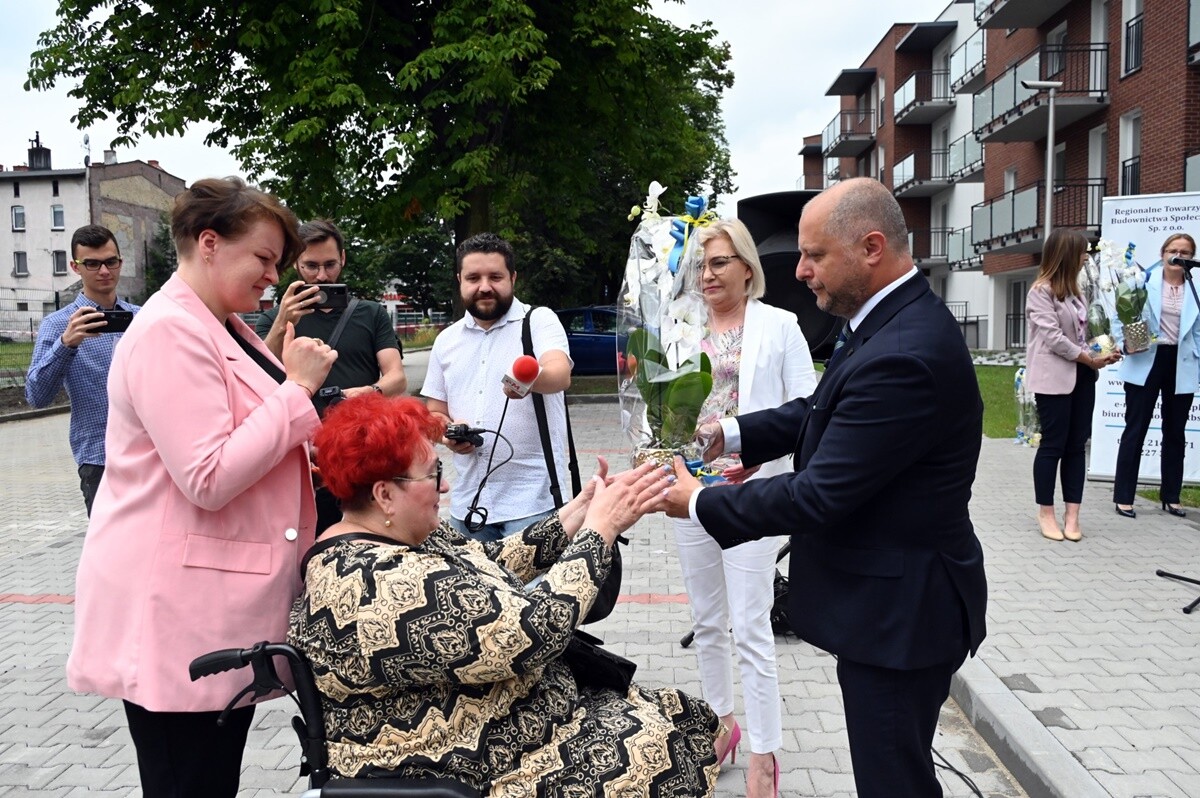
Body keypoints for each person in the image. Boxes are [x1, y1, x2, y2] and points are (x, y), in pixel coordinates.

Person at [660, 178, 989, 798]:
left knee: (893, 781)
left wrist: (700, 501)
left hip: (902, 616)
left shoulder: (905, 353)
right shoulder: (884, 319)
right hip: (890, 606)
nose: (801, 270)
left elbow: (817, 496)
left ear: (870, 247)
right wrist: (727, 434)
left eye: (815, 255)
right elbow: (820, 410)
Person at [288, 393, 720, 796]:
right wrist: (600, 530)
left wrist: (580, 511)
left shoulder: (398, 536)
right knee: (661, 751)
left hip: (517, 726)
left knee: (687, 719)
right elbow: (532, 631)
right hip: (467, 763)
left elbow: (488, 561)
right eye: (433, 473)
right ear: (385, 494)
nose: (445, 487)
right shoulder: (372, 585)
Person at [66, 177, 337, 797]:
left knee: (210, 779)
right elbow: (208, 475)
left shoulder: (220, 324)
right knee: (189, 782)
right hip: (176, 612)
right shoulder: (170, 330)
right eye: (264, 259)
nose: (273, 277)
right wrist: (296, 391)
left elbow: (241, 437)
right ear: (209, 243)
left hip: (208, 607)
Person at [670, 218, 817, 798]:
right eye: (702, 264)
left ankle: (765, 753)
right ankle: (720, 723)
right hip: (691, 492)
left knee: (751, 625)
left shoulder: (781, 326)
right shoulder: (679, 330)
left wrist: (758, 447)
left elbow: (807, 408)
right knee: (707, 620)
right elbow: (667, 408)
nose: (708, 274)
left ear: (748, 268)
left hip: (752, 494)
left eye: (720, 262)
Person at [256, 218, 406, 532]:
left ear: (343, 260)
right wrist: (282, 323)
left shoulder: (370, 313)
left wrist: (369, 392)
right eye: (311, 266)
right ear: (295, 262)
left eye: (330, 265)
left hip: (360, 452)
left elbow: (397, 378)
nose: (322, 276)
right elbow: (256, 376)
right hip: (300, 453)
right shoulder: (274, 318)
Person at [422, 232, 573, 541]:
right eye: (473, 278)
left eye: (495, 276)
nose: (485, 287)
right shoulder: (446, 340)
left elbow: (559, 373)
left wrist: (528, 380)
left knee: (533, 592)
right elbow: (434, 412)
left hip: (534, 505)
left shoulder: (538, 320)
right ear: (459, 280)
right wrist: (448, 433)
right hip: (467, 508)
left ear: (513, 278)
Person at [24, 225, 140, 515]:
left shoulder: (142, 318)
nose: (103, 271)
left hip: (149, 453)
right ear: (76, 267)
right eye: (92, 263)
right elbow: (37, 397)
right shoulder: (58, 325)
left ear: (120, 263)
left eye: (110, 261)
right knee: (111, 556)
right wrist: (67, 344)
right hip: (99, 458)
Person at [1026, 229, 1121, 540]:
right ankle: (1046, 512)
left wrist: (1104, 351)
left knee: (1076, 446)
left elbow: (1083, 335)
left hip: (1082, 377)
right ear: (1067, 255)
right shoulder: (1041, 292)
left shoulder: (1078, 294)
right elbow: (1053, 338)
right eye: (1082, 252)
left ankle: (1073, 515)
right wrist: (1086, 356)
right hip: (1054, 379)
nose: (1086, 257)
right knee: (1053, 445)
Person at [1111, 233, 1200, 519]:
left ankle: (1171, 496)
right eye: (1174, 250)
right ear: (1163, 253)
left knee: (1175, 432)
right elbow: (1119, 316)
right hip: (1147, 360)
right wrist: (1124, 343)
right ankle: (1124, 496)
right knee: (1135, 428)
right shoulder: (1143, 281)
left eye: (1185, 252)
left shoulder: (1194, 290)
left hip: (1181, 363)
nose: (1179, 256)